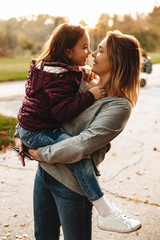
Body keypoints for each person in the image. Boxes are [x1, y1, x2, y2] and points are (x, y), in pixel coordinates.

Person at [15, 30, 142, 240]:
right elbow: (38, 107)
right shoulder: (81, 82)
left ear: (117, 60)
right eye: (91, 48)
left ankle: (107, 213)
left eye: (100, 50)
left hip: (72, 186)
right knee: (43, 236)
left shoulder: (119, 106)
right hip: (45, 175)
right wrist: (20, 135)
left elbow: (82, 145)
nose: (92, 54)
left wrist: (39, 154)